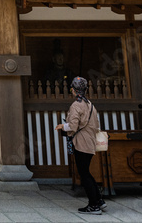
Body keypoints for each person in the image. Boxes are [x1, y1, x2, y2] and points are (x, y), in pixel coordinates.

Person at [55, 76, 107, 215]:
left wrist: (62, 126)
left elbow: (73, 125)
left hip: (81, 143)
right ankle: (99, 200)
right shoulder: (90, 104)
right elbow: (95, 124)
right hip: (89, 141)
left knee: (84, 174)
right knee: (87, 172)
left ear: (73, 89)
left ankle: (93, 205)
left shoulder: (76, 105)